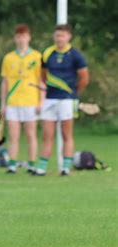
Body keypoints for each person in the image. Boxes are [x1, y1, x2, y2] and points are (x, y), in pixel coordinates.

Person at [35, 24, 89, 176]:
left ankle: (65, 168)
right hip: (50, 99)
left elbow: (84, 78)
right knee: (47, 135)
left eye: (63, 35)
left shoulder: (75, 55)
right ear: (54, 36)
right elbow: (43, 74)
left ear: (69, 37)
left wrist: (73, 93)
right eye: (57, 35)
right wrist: (50, 87)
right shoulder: (48, 53)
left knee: (66, 134)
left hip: (67, 100)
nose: (60, 38)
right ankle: (41, 168)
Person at [0, 24, 44, 174]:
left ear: (29, 37)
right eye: (18, 36)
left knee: (31, 134)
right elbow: (4, 82)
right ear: (14, 38)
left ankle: (32, 163)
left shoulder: (37, 56)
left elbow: (41, 80)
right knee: (13, 135)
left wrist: (41, 101)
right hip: (13, 102)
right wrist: (3, 104)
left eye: (24, 36)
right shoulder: (8, 58)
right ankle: (12, 164)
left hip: (31, 100)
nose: (21, 39)